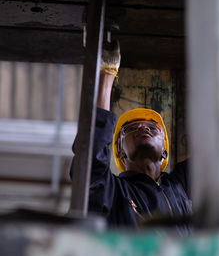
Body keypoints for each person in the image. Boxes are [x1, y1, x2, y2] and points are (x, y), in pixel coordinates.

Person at [71, 41, 192, 234]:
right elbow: (89, 163)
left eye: (153, 127)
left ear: (165, 150)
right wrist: (107, 73)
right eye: (132, 128)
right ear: (120, 153)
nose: (144, 127)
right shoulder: (115, 192)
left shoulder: (180, 186)